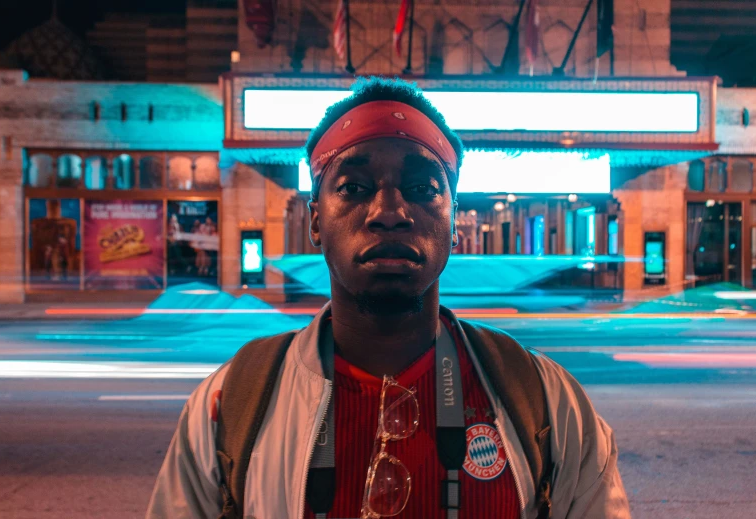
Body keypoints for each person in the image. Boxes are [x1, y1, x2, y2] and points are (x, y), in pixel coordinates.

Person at [147, 77, 630, 519]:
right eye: (353, 188)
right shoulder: (228, 407)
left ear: (453, 222)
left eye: (422, 188)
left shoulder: (548, 403)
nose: (389, 211)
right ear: (316, 221)